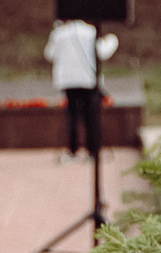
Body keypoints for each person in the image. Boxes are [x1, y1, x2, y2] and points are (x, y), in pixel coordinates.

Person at [44, 18, 117, 162]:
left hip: (67, 81)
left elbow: (49, 54)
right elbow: (103, 52)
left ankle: (72, 151)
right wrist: (113, 40)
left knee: (72, 116)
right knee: (92, 117)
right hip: (88, 80)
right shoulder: (90, 32)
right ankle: (93, 152)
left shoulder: (59, 33)